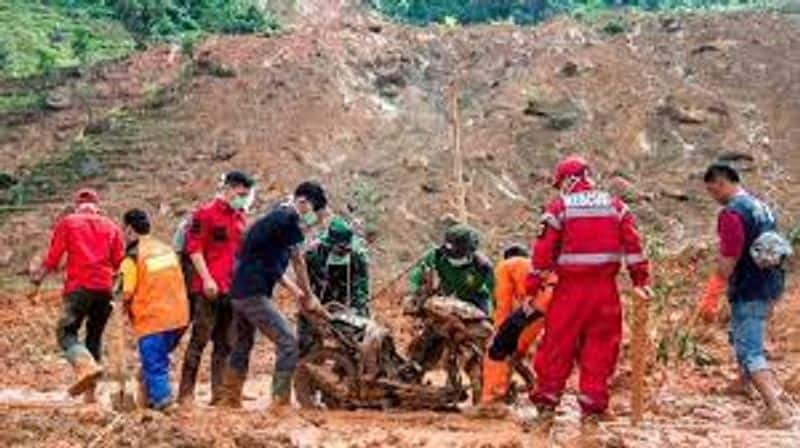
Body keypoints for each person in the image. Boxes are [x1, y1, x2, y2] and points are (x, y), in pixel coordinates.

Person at [528, 156, 650, 423]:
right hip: (606, 293)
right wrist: (640, 281)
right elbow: (634, 247)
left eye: (560, 183)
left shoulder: (560, 208)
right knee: (601, 349)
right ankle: (593, 410)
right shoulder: (616, 206)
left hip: (569, 292)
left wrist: (533, 286)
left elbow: (542, 252)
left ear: (569, 180)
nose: (560, 188)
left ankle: (546, 406)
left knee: (556, 347)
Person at [219, 181, 329, 409]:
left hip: (239, 290)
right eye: (314, 210)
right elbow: (299, 262)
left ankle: (229, 398)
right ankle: (280, 402)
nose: (313, 217)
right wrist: (309, 297)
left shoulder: (276, 218)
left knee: (242, 342)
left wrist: (297, 292)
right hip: (253, 293)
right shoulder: (288, 219)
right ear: (303, 202)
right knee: (288, 341)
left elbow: (272, 266)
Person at [703, 162, 791, 427]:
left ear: (721, 183)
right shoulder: (760, 206)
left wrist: (712, 294)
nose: (712, 197)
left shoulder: (732, 213)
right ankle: (743, 384)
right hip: (770, 282)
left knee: (750, 348)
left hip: (750, 286)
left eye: (712, 190)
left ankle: (775, 409)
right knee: (740, 333)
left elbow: (729, 257)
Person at [29, 189, 125, 400]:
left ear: (77, 206)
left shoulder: (69, 222)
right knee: (94, 336)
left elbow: (54, 257)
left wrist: (39, 278)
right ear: (97, 206)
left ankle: (86, 366)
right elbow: (120, 263)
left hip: (79, 288)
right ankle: (90, 395)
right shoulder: (112, 226)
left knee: (66, 333)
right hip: (104, 289)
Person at [178, 171, 254, 406]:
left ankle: (218, 393)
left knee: (225, 343)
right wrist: (207, 279)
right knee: (199, 340)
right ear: (229, 188)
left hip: (232, 289)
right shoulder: (205, 214)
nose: (242, 198)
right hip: (207, 288)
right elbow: (194, 249)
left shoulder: (240, 218)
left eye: (245, 195)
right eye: (240, 193)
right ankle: (186, 393)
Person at [119, 209, 189, 410]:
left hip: (153, 318)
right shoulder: (165, 249)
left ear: (130, 229)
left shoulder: (132, 257)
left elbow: (125, 292)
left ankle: (163, 401)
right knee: (158, 359)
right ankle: (148, 399)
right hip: (179, 316)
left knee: (154, 362)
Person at [406, 223, 493, 374]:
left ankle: (485, 376)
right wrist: (415, 292)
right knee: (428, 338)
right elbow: (417, 274)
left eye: (458, 255)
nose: (454, 259)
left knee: (482, 341)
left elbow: (495, 292)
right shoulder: (437, 256)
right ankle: (415, 369)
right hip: (447, 301)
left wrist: (494, 316)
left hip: (475, 302)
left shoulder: (482, 266)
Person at [481, 244, 555, 406]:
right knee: (517, 352)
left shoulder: (505, 267)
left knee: (497, 350)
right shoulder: (534, 266)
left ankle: (492, 401)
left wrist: (499, 330)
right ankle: (540, 395)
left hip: (538, 305)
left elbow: (503, 301)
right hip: (547, 306)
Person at [300, 216, 370, 355]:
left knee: (354, 333)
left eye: (346, 248)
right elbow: (304, 279)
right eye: (340, 248)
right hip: (319, 292)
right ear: (330, 243)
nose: (344, 251)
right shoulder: (314, 253)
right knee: (307, 333)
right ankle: (306, 363)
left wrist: (358, 309)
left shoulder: (357, 255)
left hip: (346, 292)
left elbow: (361, 285)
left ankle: (347, 365)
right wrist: (309, 300)